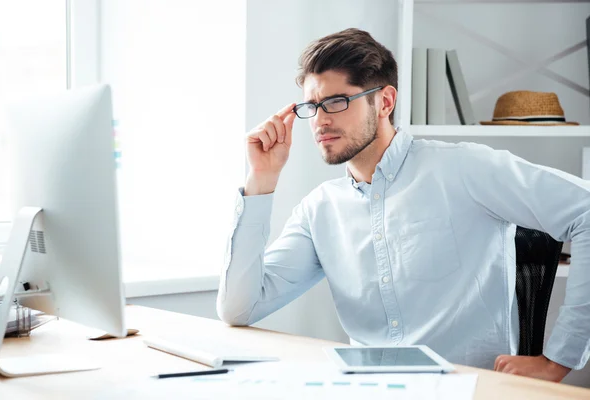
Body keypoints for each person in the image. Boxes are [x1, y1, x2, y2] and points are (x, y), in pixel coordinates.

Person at [216, 28, 590, 382]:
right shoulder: (320, 210)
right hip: (367, 389)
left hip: (469, 390)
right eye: (312, 107)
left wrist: (559, 360)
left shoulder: (465, 169)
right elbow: (239, 308)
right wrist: (261, 180)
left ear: (385, 101)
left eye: (335, 101)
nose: (321, 120)